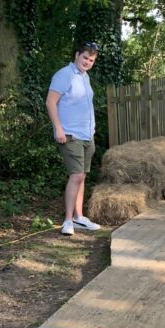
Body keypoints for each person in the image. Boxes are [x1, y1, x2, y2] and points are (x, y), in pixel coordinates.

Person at [46, 41, 101, 235]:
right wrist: (58, 129)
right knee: (76, 175)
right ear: (77, 55)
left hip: (87, 135)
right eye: (85, 57)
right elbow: (51, 102)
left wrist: (92, 129)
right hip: (70, 134)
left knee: (82, 176)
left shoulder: (85, 77)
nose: (87, 62)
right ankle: (68, 221)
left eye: (91, 60)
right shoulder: (65, 75)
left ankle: (79, 217)